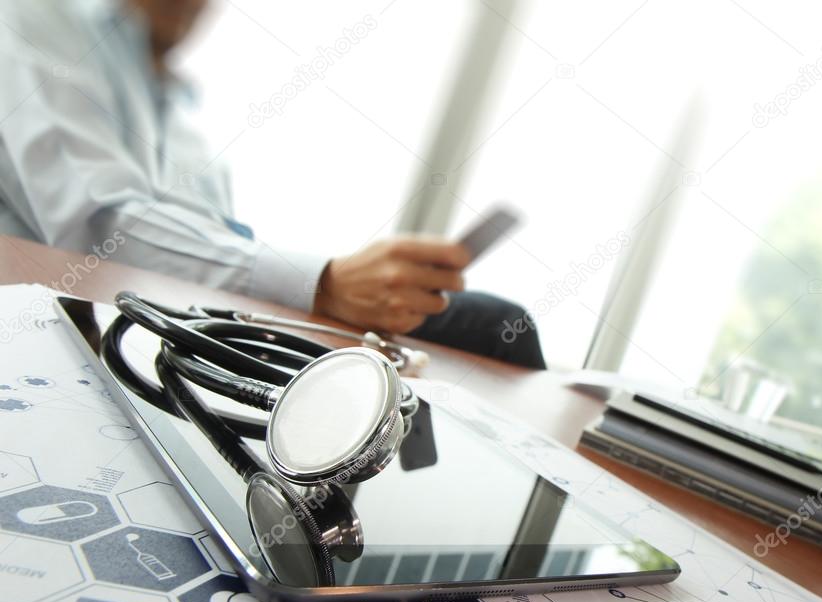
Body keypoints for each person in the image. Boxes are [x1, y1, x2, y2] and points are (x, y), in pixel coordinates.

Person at [0, 0, 545, 368]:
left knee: (486, 327)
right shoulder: (33, 19)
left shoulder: (175, 110)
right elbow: (98, 223)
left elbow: (212, 252)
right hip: (73, 340)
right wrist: (327, 284)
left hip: (184, 334)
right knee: (492, 324)